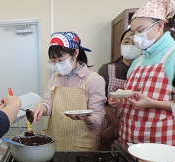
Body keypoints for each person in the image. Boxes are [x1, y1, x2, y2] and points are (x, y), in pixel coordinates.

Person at [108, 0, 175, 146]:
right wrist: (121, 101)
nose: (137, 36)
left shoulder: (173, 56)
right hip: (129, 139)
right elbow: (134, 97)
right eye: (134, 32)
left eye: (141, 30)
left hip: (160, 142)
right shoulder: (138, 61)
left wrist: (151, 103)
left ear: (160, 25)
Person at [33, 31, 106, 151]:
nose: (57, 64)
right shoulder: (55, 77)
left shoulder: (94, 80)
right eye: (53, 61)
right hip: (55, 141)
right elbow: (48, 103)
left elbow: (98, 119)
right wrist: (42, 107)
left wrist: (87, 117)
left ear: (75, 53)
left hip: (81, 145)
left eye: (60, 59)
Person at [95, 29, 140, 151]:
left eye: (134, 42)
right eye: (126, 41)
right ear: (120, 45)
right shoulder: (106, 69)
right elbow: (101, 101)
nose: (130, 45)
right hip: (107, 122)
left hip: (133, 124)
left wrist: (119, 124)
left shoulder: (144, 70)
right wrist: (115, 123)